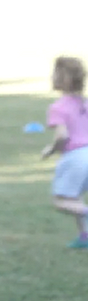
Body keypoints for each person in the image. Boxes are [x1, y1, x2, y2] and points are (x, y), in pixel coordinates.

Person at [42, 56, 88, 249]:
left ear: (61, 79)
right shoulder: (85, 103)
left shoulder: (58, 107)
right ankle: (84, 237)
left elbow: (62, 137)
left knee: (60, 201)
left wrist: (50, 150)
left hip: (76, 158)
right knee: (74, 196)